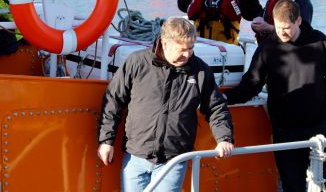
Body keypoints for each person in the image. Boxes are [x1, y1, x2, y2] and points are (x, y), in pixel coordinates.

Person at [98, 17, 234, 192]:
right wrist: (106, 141)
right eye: (182, 49)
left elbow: (216, 108)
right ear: (165, 43)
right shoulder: (137, 62)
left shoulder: (200, 71)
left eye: (191, 49)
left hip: (173, 160)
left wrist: (224, 138)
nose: (187, 54)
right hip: (136, 157)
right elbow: (113, 101)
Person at [224, 0, 326, 192]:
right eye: (278, 27)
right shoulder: (267, 48)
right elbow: (252, 83)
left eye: (286, 28)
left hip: (320, 122)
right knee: (291, 181)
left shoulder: (319, 41)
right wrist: (225, 100)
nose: (282, 32)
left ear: (298, 21)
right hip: (286, 127)